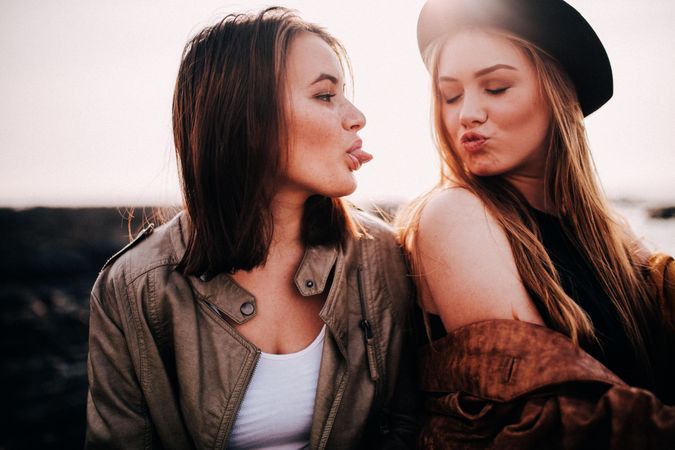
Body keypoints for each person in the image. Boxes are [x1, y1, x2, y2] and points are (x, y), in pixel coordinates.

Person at [85, 7, 417, 449]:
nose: (356, 117)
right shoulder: (134, 288)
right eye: (324, 95)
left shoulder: (384, 257)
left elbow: (411, 425)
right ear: (246, 118)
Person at [397, 0, 675, 447]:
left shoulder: (611, 235)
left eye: (496, 87)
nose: (466, 113)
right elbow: (547, 414)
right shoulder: (456, 214)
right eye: (451, 95)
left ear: (557, 93)